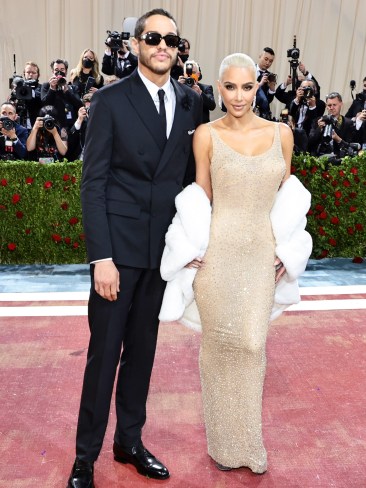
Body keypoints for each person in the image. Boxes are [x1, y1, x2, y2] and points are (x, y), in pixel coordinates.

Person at [67, 8, 202, 488]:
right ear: (136, 44)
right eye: (152, 37)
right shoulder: (109, 100)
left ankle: (129, 441)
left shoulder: (191, 103)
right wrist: (100, 257)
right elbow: (93, 183)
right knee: (103, 354)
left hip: (161, 255)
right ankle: (85, 456)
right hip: (117, 255)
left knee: (142, 353)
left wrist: (194, 243)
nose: (163, 45)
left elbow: (191, 185)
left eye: (171, 38)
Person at [191, 53, 294, 474]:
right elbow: (201, 197)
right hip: (217, 254)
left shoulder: (282, 133)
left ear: (258, 86)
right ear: (219, 88)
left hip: (259, 256)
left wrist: (288, 249)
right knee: (218, 349)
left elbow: (289, 201)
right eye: (230, 87)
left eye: (247, 86)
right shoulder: (205, 134)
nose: (238, 95)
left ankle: (249, 445)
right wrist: (191, 249)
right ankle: (223, 444)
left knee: (252, 345)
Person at [308, 92, 359, 159]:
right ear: (326, 106)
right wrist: (319, 129)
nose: (332, 108)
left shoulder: (349, 123)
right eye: (329, 105)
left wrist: (338, 139)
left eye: (334, 105)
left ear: (341, 104)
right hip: (319, 158)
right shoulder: (318, 120)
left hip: (340, 160)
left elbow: (351, 147)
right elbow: (310, 143)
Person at [41, 59, 83, 130]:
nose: (59, 72)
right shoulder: (46, 86)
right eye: (56, 69)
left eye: (62, 69)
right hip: (53, 126)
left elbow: (79, 104)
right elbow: (44, 104)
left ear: (66, 72)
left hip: (70, 126)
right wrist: (52, 89)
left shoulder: (73, 88)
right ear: (53, 72)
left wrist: (67, 91)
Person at [8, 61, 42, 130]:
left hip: (36, 127)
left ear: (38, 75)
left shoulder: (41, 88)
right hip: (19, 126)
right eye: (28, 72)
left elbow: (42, 102)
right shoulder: (19, 88)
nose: (30, 74)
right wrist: (14, 92)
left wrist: (31, 92)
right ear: (24, 73)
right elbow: (10, 105)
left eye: (33, 72)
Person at [255, 47, 277, 118]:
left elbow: (268, 101)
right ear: (260, 56)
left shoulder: (270, 77)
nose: (268, 63)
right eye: (266, 59)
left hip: (262, 114)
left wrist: (272, 89)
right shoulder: (249, 70)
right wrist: (260, 83)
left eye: (270, 61)